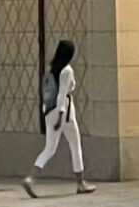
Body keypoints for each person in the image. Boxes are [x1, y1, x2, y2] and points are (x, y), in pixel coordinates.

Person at [23, 39, 95, 197]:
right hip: (65, 113)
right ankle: (81, 183)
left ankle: (31, 178)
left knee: (49, 148)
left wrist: (49, 114)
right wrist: (61, 116)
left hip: (49, 111)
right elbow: (62, 94)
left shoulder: (53, 68)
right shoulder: (67, 70)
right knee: (75, 146)